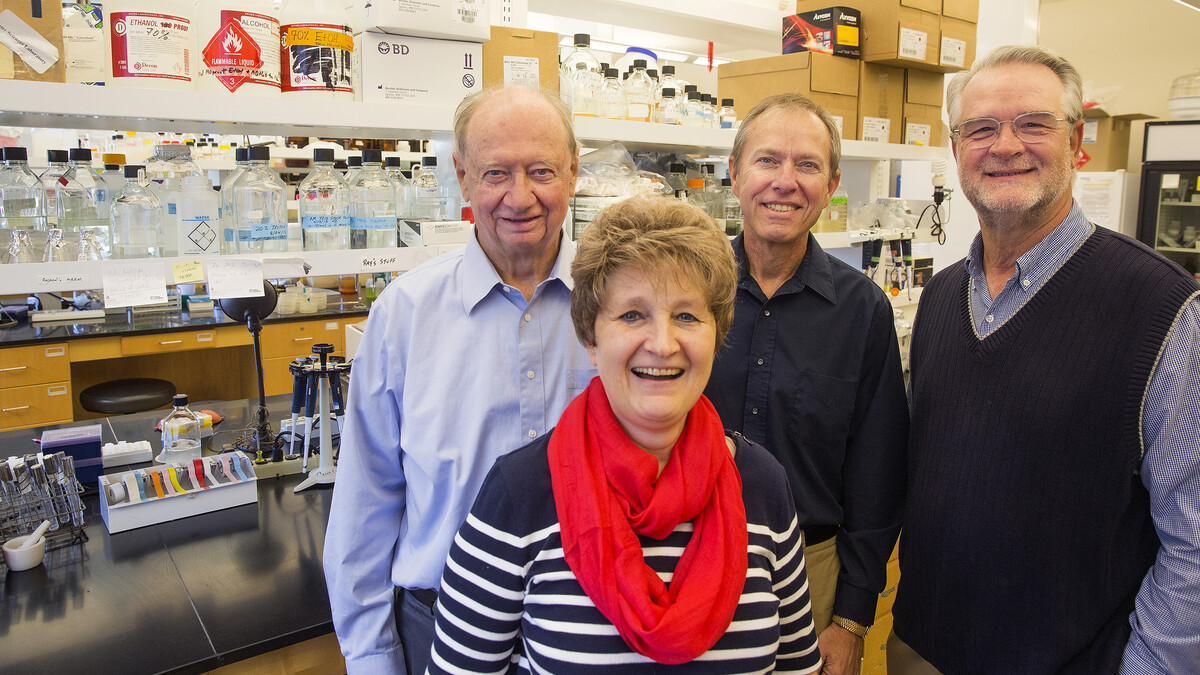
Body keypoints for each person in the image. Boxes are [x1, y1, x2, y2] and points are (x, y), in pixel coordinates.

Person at [889, 45, 1200, 675]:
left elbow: (1193, 543)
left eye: (1033, 124)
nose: (1005, 145)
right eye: (980, 128)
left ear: (1076, 141)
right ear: (956, 149)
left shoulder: (1163, 309)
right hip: (922, 646)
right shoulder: (943, 297)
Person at [426, 196, 824, 674]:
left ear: (716, 336)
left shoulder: (761, 485)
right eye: (632, 315)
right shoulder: (521, 492)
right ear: (591, 339)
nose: (662, 343)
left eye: (687, 316)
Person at [323, 86, 596, 675]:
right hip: (439, 622)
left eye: (542, 171)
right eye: (497, 172)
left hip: (591, 626)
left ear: (573, 172)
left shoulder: (620, 307)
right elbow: (364, 505)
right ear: (463, 176)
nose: (519, 197)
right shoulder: (403, 315)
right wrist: (372, 658)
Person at [704, 92, 908, 675]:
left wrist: (851, 619)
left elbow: (878, 471)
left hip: (811, 569)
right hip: (683, 555)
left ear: (833, 182)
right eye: (768, 161)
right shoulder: (688, 291)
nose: (785, 182)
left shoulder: (863, 309)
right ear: (735, 172)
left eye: (808, 165)